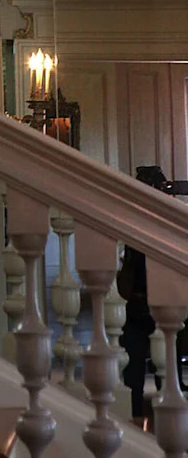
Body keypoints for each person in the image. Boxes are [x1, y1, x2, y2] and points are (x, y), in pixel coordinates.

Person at [118, 165, 171, 421]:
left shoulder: (172, 226)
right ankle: (135, 415)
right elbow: (125, 281)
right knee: (133, 364)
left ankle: (166, 410)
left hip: (167, 305)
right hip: (138, 305)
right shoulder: (132, 226)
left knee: (165, 364)